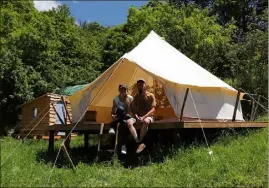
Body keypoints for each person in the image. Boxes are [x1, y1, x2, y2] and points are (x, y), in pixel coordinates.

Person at [128, 78, 156, 154]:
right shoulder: (136, 96)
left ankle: (141, 141)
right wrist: (136, 116)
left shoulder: (151, 95)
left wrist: (144, 117)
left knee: (146, 121)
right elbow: (134, 109)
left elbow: (153, 109)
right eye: (139, 85)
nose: (140, 86)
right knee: (129, 123)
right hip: (138, 116)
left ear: (145, 85)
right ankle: (138, 142)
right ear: (137, 86)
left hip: (148, 116)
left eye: (142, 84)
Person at [109, 84, 133, 154]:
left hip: (127, 116)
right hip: (119, 117)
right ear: (119, 90)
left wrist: (127, 103)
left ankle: (112, 126)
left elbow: (130, 111)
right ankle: (123, 145)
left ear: (127, 90)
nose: (123, 91)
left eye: (124, 89)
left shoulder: (130, 98)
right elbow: (113, 111)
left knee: (123, 124)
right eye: (121, 89)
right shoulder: (116, 99)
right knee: (120, 112)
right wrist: (112, 115)